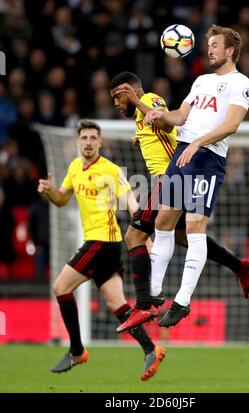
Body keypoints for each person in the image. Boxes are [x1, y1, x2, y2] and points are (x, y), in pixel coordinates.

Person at [109, 62, 249, 334]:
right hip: (169, 177)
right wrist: (140, 136)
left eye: (118, 97)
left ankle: (145, 303)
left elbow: (165, 124)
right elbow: (162, 132)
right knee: (182, 237)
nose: (117, 104)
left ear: (130, 90)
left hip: (169, 177)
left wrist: (139, 103)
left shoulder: (150, 100)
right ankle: (240, 266)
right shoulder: (141, 117)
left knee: (134, 236)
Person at [37, 119, 165, 381]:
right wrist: (50, 192)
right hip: (104, 246)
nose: (88, 142)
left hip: (102, 242)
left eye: (93, 138)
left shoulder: (110, 170)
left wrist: (144, 232)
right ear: (78, 140)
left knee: (60, 288)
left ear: (100, 141)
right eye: (84, 138)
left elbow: (130, 200)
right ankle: (152, 349)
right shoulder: (74, 167)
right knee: (117, 304)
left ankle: (76, 350)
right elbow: (62, 200)